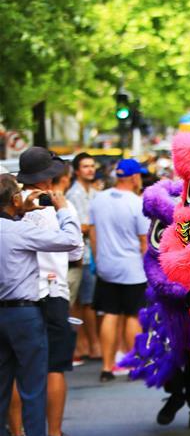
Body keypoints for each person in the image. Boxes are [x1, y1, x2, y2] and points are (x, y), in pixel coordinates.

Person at [0, 173, 82, 436]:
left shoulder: (14, 224)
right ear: (14, 201)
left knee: (2, 388)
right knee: (33, 386)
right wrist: (62, 210)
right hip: (23, 314)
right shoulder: (20, 231)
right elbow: (71, 243)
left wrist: (21, 209)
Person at [88, 158, 151, 382]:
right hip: (132, 268)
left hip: (106, 267)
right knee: (132, 315)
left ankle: (107, 367)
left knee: (110, 314)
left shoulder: (98, 199)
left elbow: (93, 234)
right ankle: (133, 365)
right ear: (134, 177)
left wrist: (98, 259)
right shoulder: (136, 203)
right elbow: (144, 241)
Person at [66, 153, 101, 366]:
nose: (90, 169)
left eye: (92, 166)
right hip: (82, 255)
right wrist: (91, 228)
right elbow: (80, 228)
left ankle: (88, 343)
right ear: (77, 171)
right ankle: (86, 344)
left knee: (89, 301)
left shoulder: (96, 192)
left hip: (92, 254)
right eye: (85, 166)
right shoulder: (73, 194)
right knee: (84, 302)